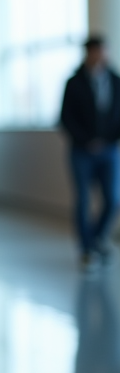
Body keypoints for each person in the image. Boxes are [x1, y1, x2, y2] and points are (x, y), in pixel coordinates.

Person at [60, 36, 120, 264]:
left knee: (113, 199)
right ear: (88, 53)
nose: (100, 55)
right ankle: (86, 250)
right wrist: (87, 140)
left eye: (103, 51)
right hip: (82, 150)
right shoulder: (74, 83)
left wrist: (109, 139)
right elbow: (65, 118)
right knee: (83, 200)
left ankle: (96, 239)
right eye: (95, 51)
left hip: (110, 149)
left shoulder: (115, 81)